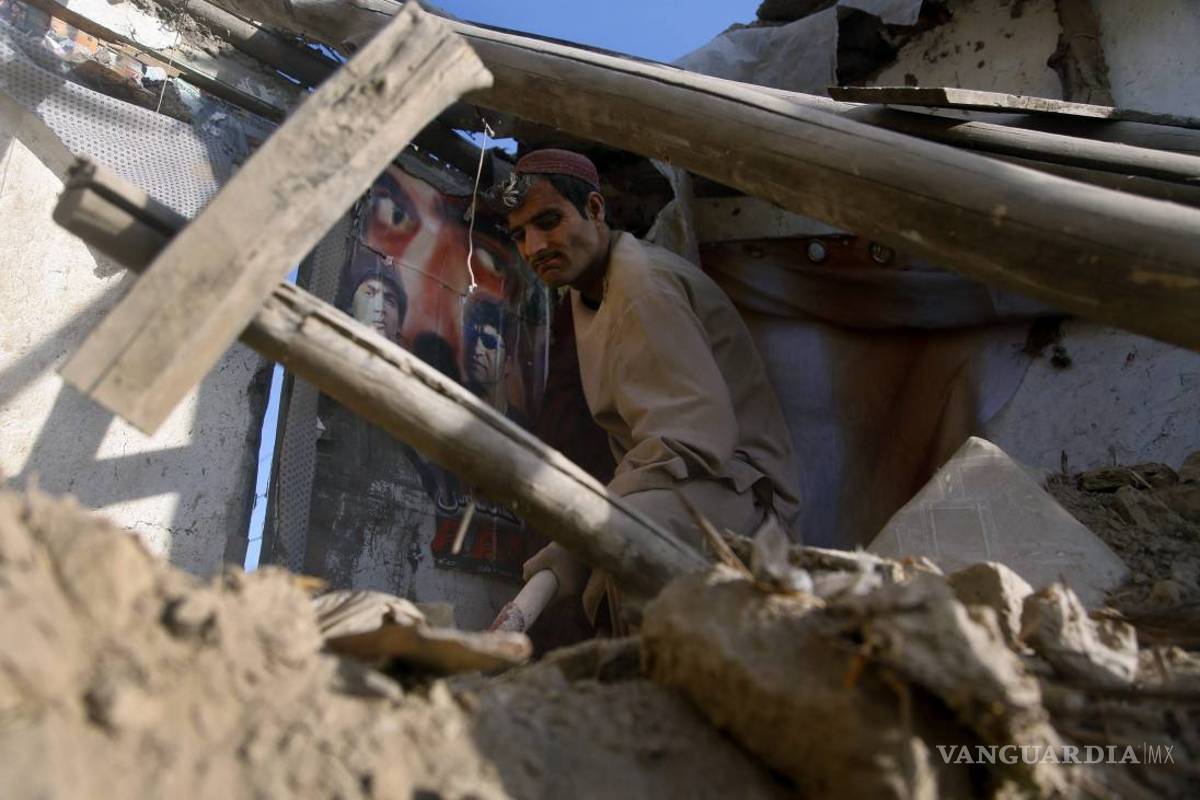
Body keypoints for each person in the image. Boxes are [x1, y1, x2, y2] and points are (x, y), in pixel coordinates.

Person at [497, 148, 802, 626]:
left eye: (549, 221)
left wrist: (584, 533)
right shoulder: (587, 290)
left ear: (594, 209)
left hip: (743, 497)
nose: (535, 247)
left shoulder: (643, 286)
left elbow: (690, 442)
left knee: (627, 541)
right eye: (519, 235)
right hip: (683, 484)